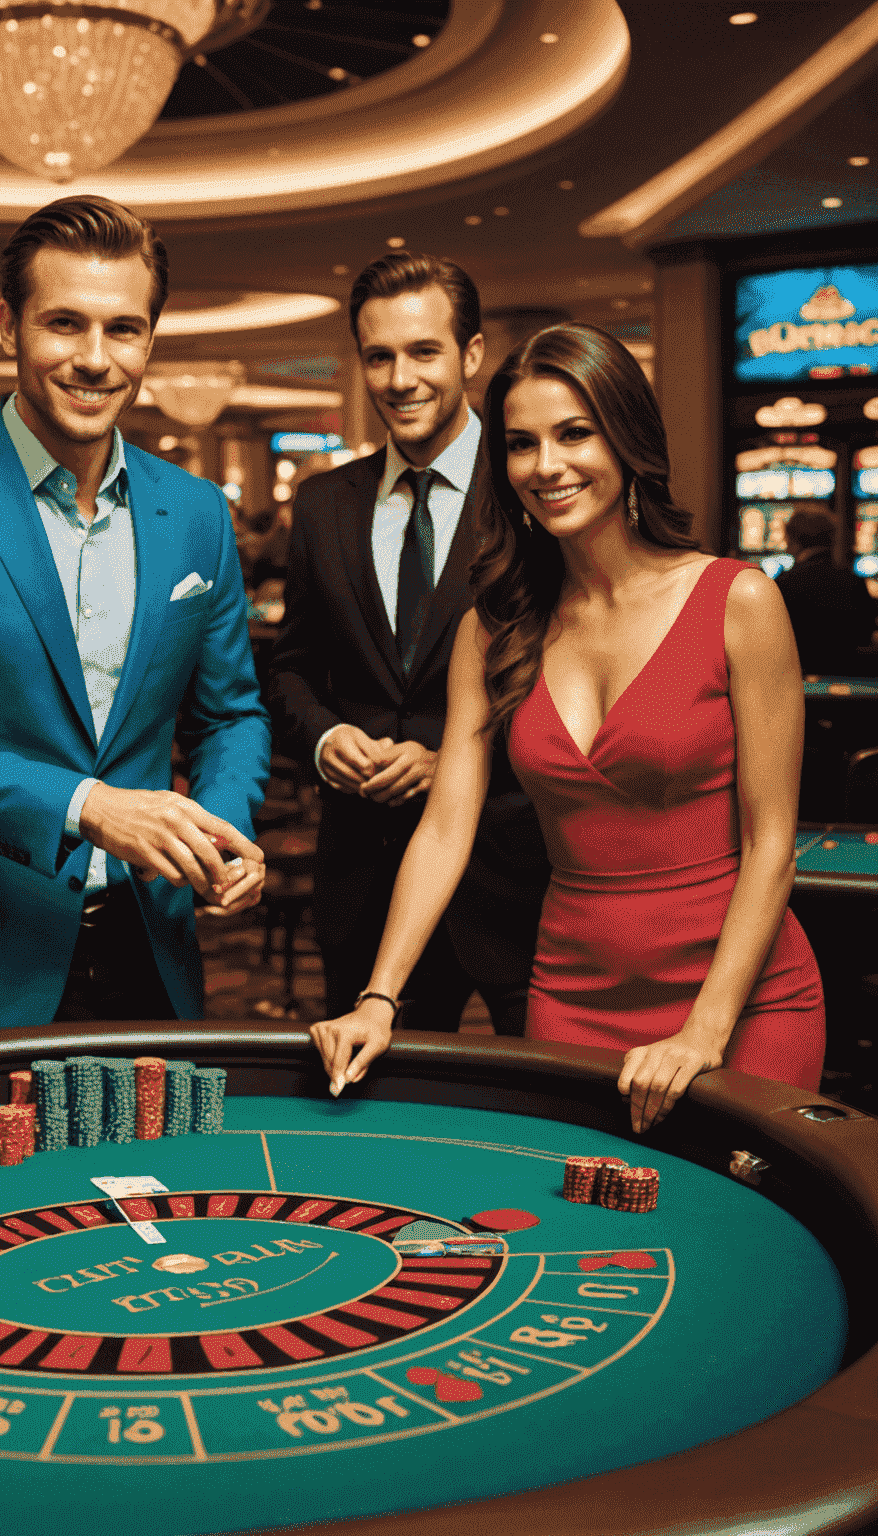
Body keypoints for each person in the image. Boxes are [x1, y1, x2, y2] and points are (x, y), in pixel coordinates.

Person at [312, 323, 825, 1133]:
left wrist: (705, 1031)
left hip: (742, 998)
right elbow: (447, 826)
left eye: (574, 434)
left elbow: (772, 843)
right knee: (595, 1247)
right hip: (572, 993)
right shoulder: (496, 627)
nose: (546, 466)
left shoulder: (739, 601)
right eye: (521, 444)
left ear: (628, 439)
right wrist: (379, 999)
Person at [0, 194, 270, 1040]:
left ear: (151, 338)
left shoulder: (199, 513)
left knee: (161, 1178)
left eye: (124, 329)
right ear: (8, 326)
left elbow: (232, 713)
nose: (96, 360)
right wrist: (85, 805)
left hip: (151, 956)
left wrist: (220, 828)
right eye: (64, 324)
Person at [268, 252, 549, 1030]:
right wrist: (327, 742)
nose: (400, 378)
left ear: (471, 355)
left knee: (537, 1116)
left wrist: (453, 762)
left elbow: (574, 683)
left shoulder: (537, 488)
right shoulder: (322, 503)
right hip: (362, 874)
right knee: (368, 1119)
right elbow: (289, 671)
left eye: (423, 351)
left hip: (512, 871)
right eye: (378, 356)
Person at [774, 504, 878, 676]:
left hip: (798, 680)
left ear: (793, 540)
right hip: (850, 682)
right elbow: (866, 632)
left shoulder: (784, 583)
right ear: (832, 539)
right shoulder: (853, 581)